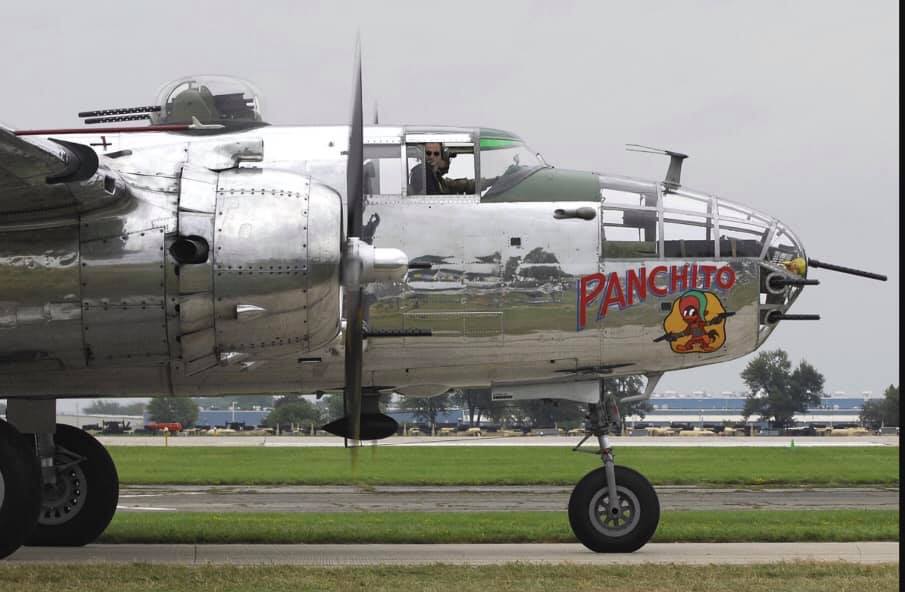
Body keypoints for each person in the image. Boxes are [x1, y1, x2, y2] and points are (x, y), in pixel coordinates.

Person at [408, 142, 476, 195]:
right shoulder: (422, 172)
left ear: (441, 156)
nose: (432, 156)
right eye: (428, 153)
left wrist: (478, 183)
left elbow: (451, 185)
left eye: (436, 154)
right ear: (422, 154)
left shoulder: (436, 176)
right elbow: (432, 200)